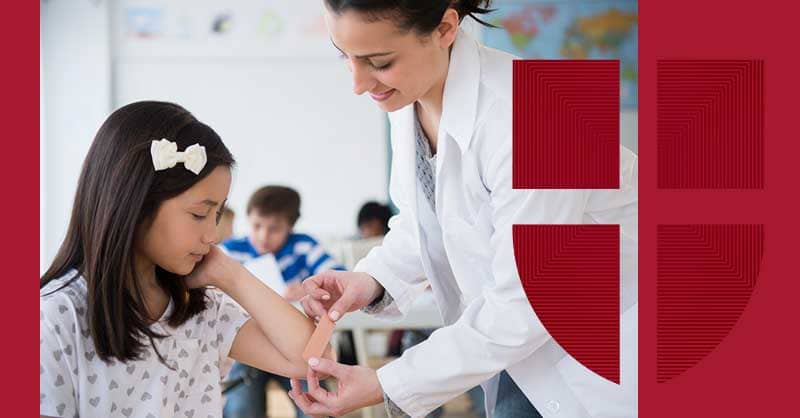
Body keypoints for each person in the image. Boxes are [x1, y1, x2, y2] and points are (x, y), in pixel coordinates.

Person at [289, 2, 638, 418]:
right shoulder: (410, 98)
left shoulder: (535, 117)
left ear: (445, 29)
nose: (358, 84)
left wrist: (388, 383)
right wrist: (371, 278)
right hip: (516, 349)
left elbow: (527, 301)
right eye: (344, 56)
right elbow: (432, 218)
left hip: (603, 353)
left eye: (379, 62)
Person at [39, 101, 331, 418]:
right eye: (199, 214)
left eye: (217, 215)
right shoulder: (52, 319)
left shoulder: (200, 308)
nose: (213, 235)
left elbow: (315, 360)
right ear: (136, 202)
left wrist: (229, 274)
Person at [222, 185, 344, 418]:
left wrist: (304, 289)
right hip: (247, 349)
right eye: (257, 226)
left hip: (298, 349)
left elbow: (339, 277)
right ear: (248, 220)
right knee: (240, 409)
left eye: (274, 229)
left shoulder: (303, 246)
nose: (263, 236)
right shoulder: (231, 252)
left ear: (290, 227)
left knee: (315, 409)